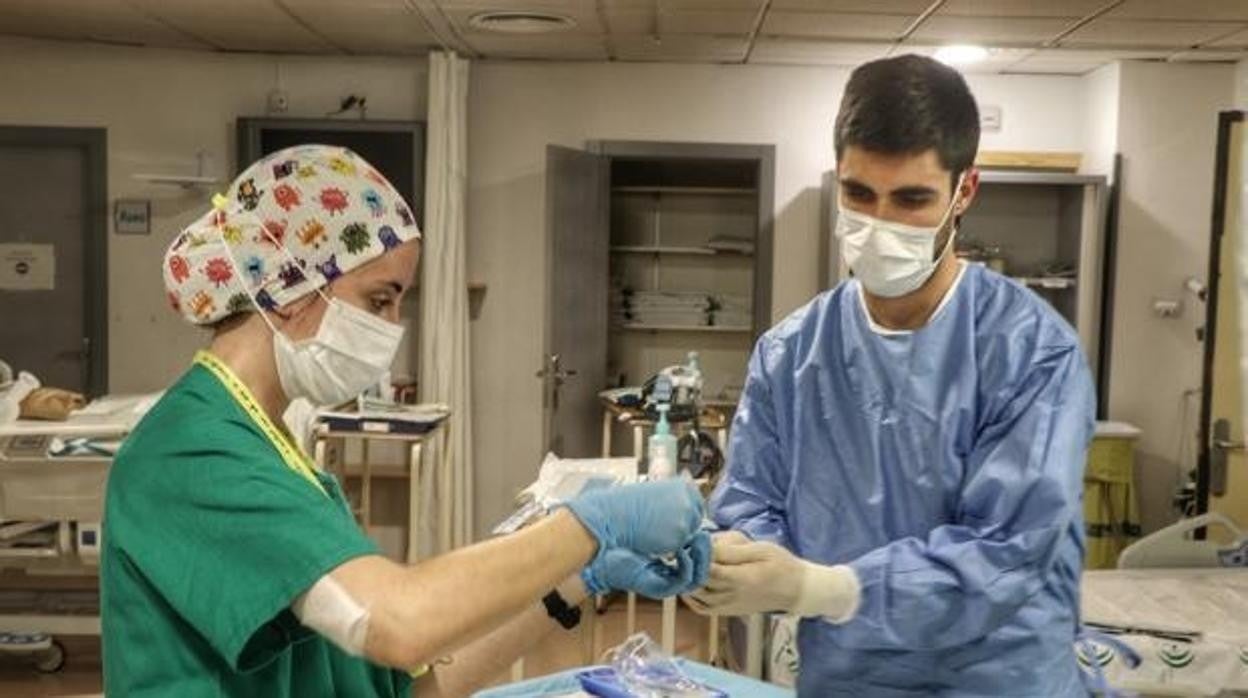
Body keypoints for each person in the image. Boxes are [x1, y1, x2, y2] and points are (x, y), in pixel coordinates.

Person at [101, 144, 710, 697]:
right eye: (378, 300)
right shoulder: (189, 454)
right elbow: (398, 624)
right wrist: (590, 526)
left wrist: (576, 580)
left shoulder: (273, 445)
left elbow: (406, 683)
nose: (391, 329)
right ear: (287, 289)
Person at [685, 55, 1096, 696]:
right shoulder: (791, 353)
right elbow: (751, 507)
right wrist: (721, 561)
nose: (879, 224)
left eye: (911, 199)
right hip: (846, 679)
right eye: (858, 194)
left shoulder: (1032, 353)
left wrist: (829, 587)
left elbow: (1008, 549)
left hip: (995, 681)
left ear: (964, 192)